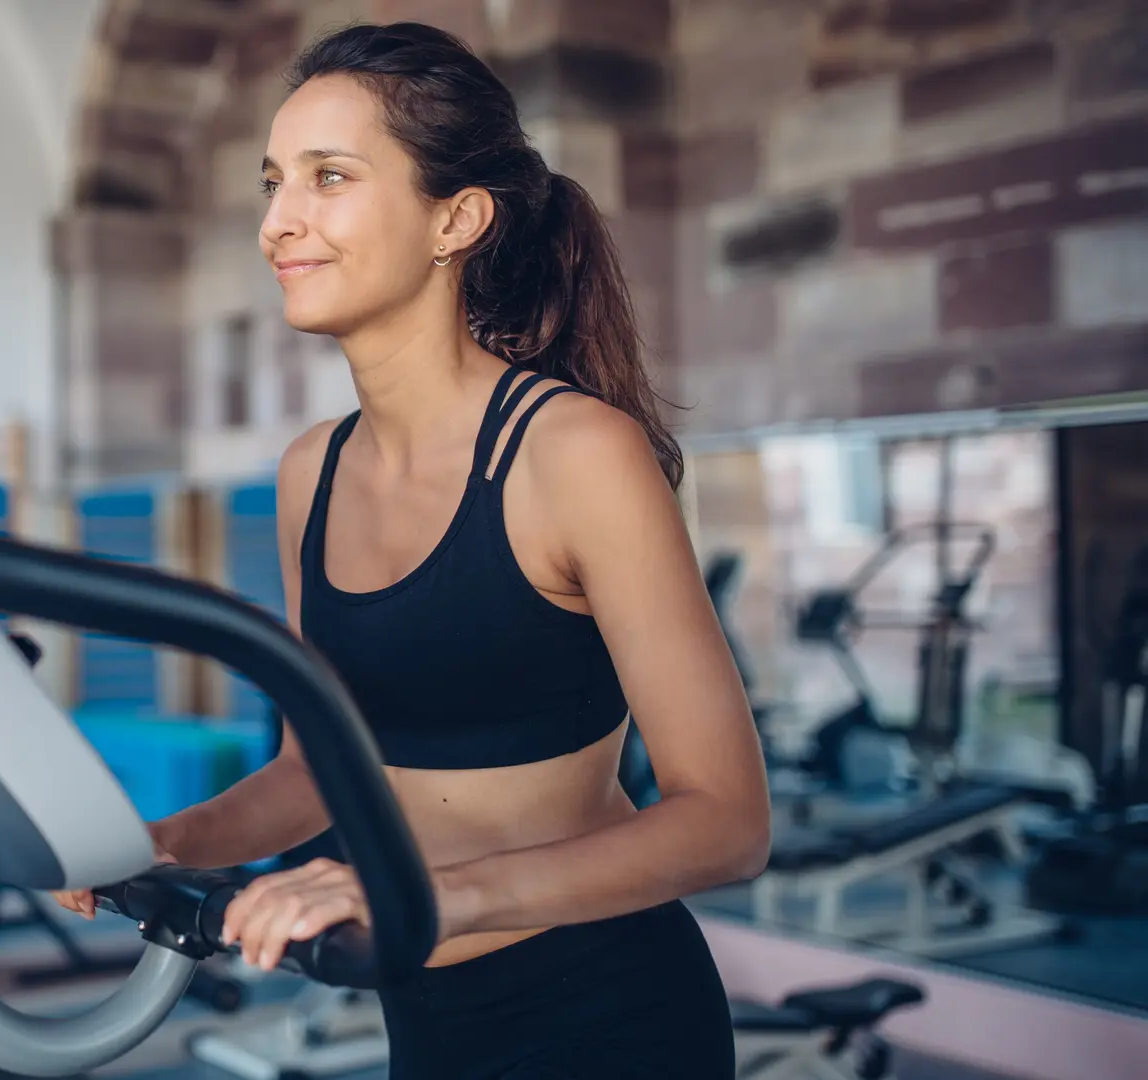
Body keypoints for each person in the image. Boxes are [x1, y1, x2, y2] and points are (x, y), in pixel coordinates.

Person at [56, 21, 769, 1079]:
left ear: (457, 219)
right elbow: (322, 769)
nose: (279, 223)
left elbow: (726, 822)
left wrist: (424, 899)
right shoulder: (314, 472)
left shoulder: (573, 453)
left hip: (605, 1015)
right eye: (272, 182)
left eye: (328, 178)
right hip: (426, 1019)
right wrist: (173, 840)